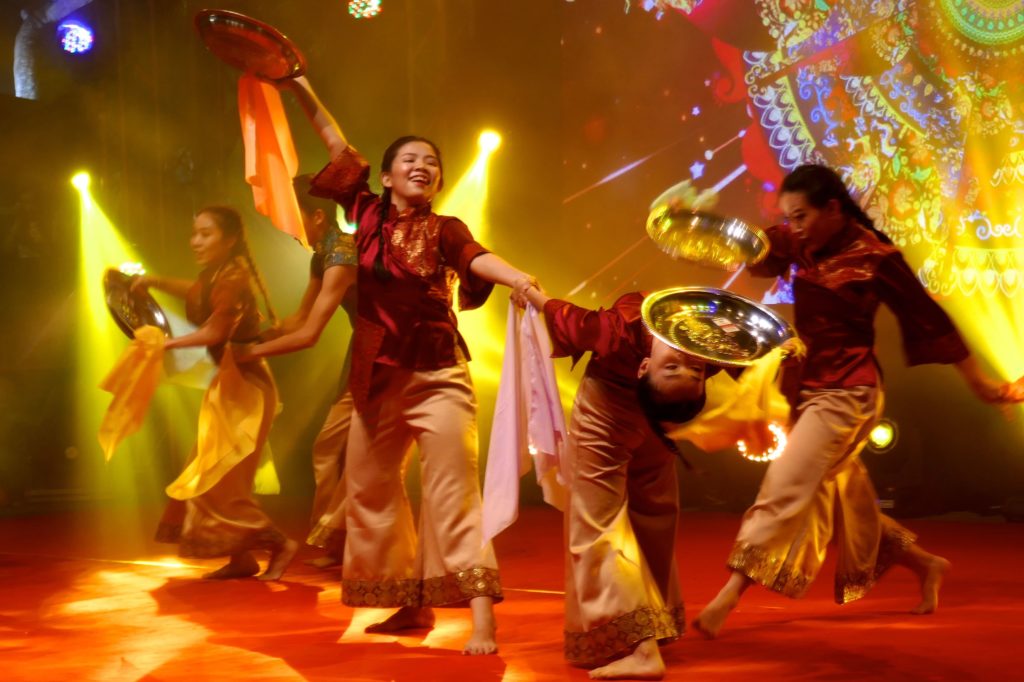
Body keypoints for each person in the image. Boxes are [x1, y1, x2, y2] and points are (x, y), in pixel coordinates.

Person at [692, 164, 1024, 639]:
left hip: (850, 393)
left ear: (833, 209)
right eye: (790, 217)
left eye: (802, 215)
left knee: (786, 485)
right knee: (848, 503)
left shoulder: (876, 257)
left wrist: (981, 384)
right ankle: (925, 564)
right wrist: (696, 223)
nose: (795, 226)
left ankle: (728, 596)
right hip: (810, 391)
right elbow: (754, 249)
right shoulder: (799, 241)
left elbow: (930, 320)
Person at [280, 75, 539, 655]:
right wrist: (298, 84)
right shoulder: (365, 213)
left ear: (437, 180)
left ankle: (481, 619)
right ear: (390, 175)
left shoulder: (444, 229)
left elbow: (477, 258)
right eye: (410, 159)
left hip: (438, 377)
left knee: (452, 495)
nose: (422, 165)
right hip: (377, 380)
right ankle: (410, 601)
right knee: (370, 492)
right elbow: (335, 141)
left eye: (431, 162)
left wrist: (519, 277)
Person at [522, 286, 710, 680]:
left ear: (644, 366)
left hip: (626, 415)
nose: (689, 362)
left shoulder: (621, 330)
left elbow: (567, 318)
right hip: (651, 418)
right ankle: (652, 627)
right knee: (652, 514)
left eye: (691, 370)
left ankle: (641, 647)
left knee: (597, 527)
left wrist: (529, 292)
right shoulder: (700, 340)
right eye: (690, 368)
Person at [133, 206, 298, 581]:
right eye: (195, 233)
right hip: (230, 384)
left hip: (248, 387)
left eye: (206, 234)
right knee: (209, 473)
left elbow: (213, 334)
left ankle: (279, 543)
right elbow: (195, 291)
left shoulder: (234, 278)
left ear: (230, 240)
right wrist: (155, 281)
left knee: (222, 481)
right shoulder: (217, 275)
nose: (195, 241)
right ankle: (241, 559)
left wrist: (165, 344)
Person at [241, 176, 357, 569]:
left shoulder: (342, 254)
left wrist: (251, 353)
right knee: (330, 448)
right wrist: (258, 334)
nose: (287, 226)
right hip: (364, 353)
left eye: (293, 216)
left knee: (349, 452)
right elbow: (298, 320)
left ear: (318, 216)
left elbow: (308, 336)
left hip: (387, 353)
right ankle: (338, 541)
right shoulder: (320, 255)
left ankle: (345, 542)